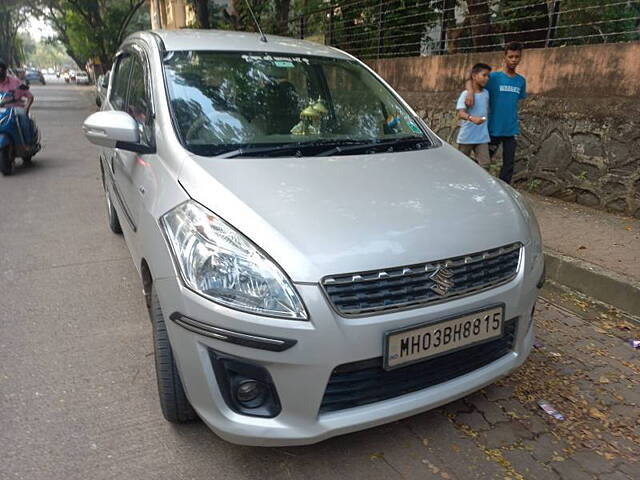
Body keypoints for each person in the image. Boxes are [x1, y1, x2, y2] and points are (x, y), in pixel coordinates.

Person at [465, 42, 527, 184]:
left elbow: (517, 102)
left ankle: (504, 191)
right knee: (483, 162)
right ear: (504, 57)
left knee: (508, 165)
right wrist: (469, 92)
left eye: (517, 57)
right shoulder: (493, 78)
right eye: (510, 56)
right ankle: (472, 183)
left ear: (520, 58)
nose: (513, 60)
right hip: (492, 129)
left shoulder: (521, 81)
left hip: (511, 130)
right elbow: (471, 78)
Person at [456, 63, 491, 168]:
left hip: (482, 137)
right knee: (461, 166)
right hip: (467, 137)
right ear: (474, 76)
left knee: (485, 165)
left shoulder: (486, 93)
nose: (487, 78)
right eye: (484, 75)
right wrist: (471, 118)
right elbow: (460, 113)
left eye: (488, 76)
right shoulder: (466, 94)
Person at [0, 58, 35, 145]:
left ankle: (27, 143)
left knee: (22, 118)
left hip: (15, 108)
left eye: (1, 70)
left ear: (5, 71)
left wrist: (26, 109)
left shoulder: (15, 82)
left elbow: (30, 96)